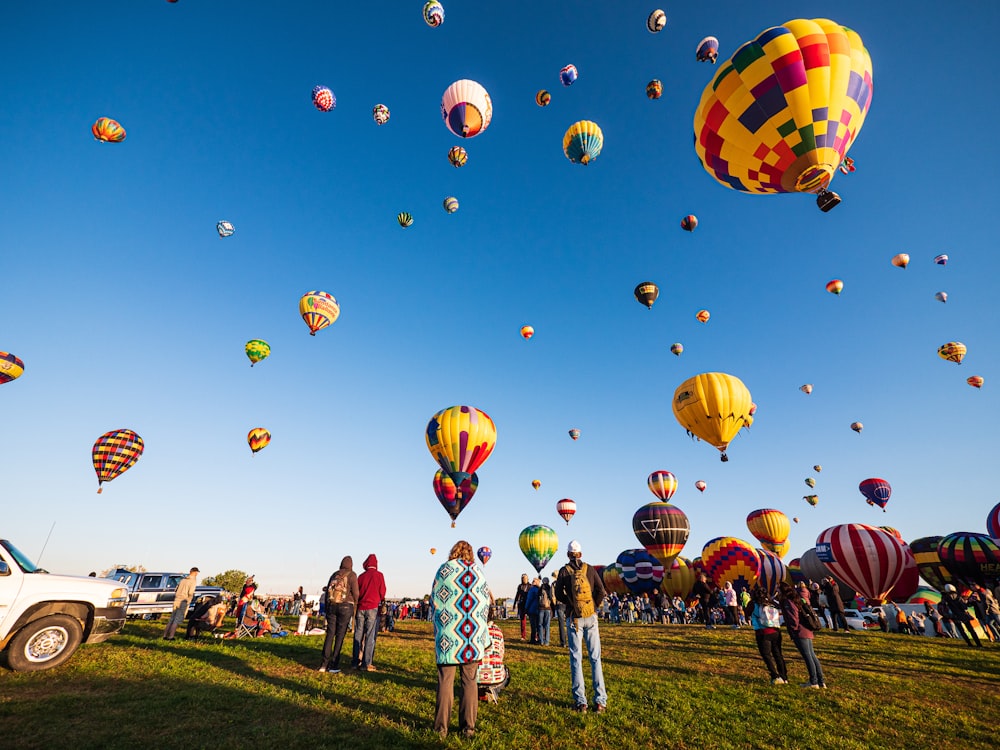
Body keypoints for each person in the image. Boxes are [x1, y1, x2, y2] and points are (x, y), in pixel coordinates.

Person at [431, 540, 491, 740]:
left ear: (453, 552)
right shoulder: (478, 572)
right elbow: (484, 605)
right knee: (470, 682)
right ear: (471, 554)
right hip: (471, 638)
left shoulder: (444, 569)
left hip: (448, 636)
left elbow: (435, 600)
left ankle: (441, 729)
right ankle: (468, 728)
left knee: (445, 682)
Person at [555, 539, 607, 713]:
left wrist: (571, 602)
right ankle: (600, 701)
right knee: (595, 658)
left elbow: (557, 595)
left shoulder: (564, 571)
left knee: (576, 658)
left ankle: (581, 702)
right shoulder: (590, 569)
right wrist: (592, 606)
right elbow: (601, 591)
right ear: (581, 554)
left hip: (573, 618)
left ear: (568, 554)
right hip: (591, 617)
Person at [778, 582, 826, 689]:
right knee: (812, 655)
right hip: (807, 630)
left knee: (808, 656)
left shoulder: (788, 602)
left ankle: (813, 682)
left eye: (778, 589)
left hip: (800, 632)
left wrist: (793, 630)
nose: (777, 591)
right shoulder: (797, 599)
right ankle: (821, 681)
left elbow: (793, 618)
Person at [318, 557, 360, 673]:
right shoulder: (352, 575)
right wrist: (356, 604)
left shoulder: (334, 574)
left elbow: (327, 592)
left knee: (330, 634)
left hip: (332, 606)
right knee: (340, 636)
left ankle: (323, 664)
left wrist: (327, 608)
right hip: (346, 607)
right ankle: (334, 665)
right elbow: (356, 593)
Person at [352, 553, 387, 671]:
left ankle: (355, 661)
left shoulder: (361, 576)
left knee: (358, 634)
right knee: (370, 635)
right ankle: (366, 663)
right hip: (372, 607)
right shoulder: (379, 575)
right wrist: (381, 599)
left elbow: (357, 592)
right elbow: (382, 592)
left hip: (361, 607)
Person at [749, 586, 788, 685]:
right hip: (776, 631)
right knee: (778, 654)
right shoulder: (772, 603)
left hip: (762, 632)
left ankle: (775, 675)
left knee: (766, 655)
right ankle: (784, 676)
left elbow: (747, 614)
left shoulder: (752, 604)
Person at [477, 607, 510, 704]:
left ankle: (480, 692)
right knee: (506, 672)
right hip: (495, 676)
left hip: (474, 675)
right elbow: (501, 653)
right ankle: (490, 690)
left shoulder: (474, 630)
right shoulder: (497, 631)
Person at [163, 567, 199, 640]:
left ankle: (165, 635)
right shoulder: (193, 581)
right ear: (195, 573)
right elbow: (190, 593)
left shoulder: (183, 580)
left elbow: (176, 589)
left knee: (172, 619)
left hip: (176, 600)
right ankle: (171, 636)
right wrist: (189, 601)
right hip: (183, 601)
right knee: (177, 619)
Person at [513, 574, 531, 641]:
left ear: (527, 579)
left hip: (529, 605)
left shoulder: (530, 586)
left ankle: (535, 636)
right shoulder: (520, 586)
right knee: (523, 621)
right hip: (522, 605)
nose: (524, 579)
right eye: (523, 578)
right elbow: (517, 595)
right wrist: (514, 604)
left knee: (533, 621)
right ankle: (523, 636)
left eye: (525, 578)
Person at [538, 577, 554, 645]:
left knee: (540, 624)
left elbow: (538, 596)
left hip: (541, 608)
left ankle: (541, 640)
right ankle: (547, 641)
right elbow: (552, 598)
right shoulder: (550, 588)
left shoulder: (541, 588)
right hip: (548, 608)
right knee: (547, 625)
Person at [525, 577, 541, 643]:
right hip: (539, 609)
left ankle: (533, 639)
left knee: (533, 625)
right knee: (538, 625)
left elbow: (529, 599)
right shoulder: (540, 589)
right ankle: (539, 638)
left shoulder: (532, 590)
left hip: (532, 609)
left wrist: (526, 608)